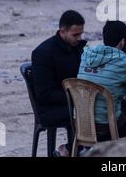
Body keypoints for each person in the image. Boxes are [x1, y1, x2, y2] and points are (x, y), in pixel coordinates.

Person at [31, 10, 86, 157]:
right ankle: (70, 150)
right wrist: (77, 97)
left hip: (73, 102)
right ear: (63, 31)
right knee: (89, 116)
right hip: (50, 109)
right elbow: (44, 94)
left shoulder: (77, 48)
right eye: (75, 35)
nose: (79, 38)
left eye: (81, 34)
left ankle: (74, 150)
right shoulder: (43, 53)